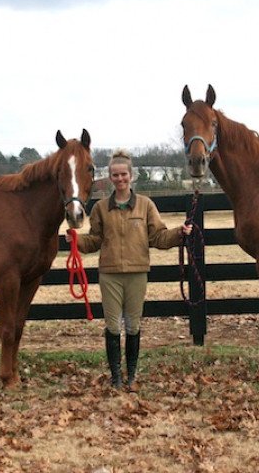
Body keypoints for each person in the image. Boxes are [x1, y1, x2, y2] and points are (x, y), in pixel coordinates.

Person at [66, 149, 192, 390]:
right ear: (110, 177)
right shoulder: (101, 208)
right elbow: (94, 240)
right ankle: (116, 378)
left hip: (137, 273)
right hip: (110, 275)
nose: (120, 178)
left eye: (123, 174)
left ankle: (131, 376)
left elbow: (158, 237)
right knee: (113, 326)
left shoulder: (145, 205)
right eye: (115, 175)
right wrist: (76, 241)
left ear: (131, 176)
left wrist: (179, 234)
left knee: (133, 325)